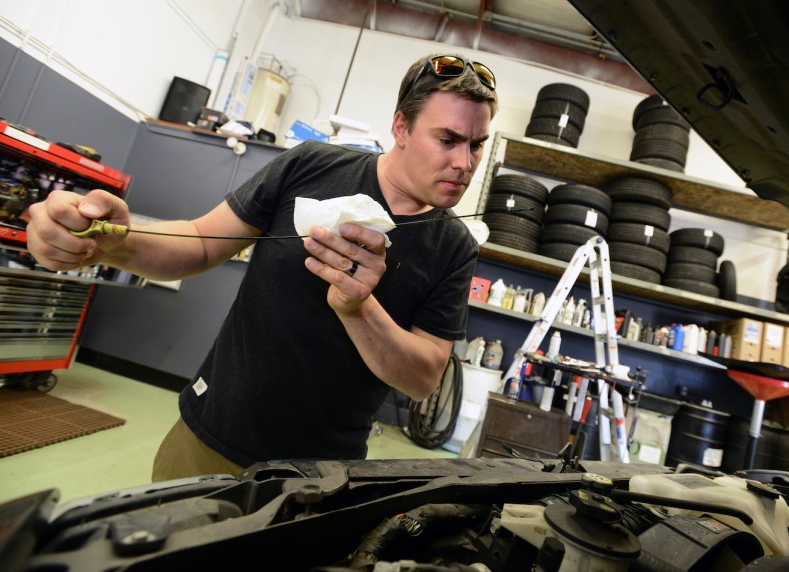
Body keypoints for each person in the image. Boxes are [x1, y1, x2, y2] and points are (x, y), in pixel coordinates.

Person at [26, 54, 499, 480]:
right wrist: (111, 243)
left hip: (320, 475)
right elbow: (199, 242)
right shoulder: (310, 165)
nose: (464, 162)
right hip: (209, 437)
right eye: (448, 139)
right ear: (401, 128)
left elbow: (422, 379)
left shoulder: (454, 247)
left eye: (476, 144)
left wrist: (359, 309)